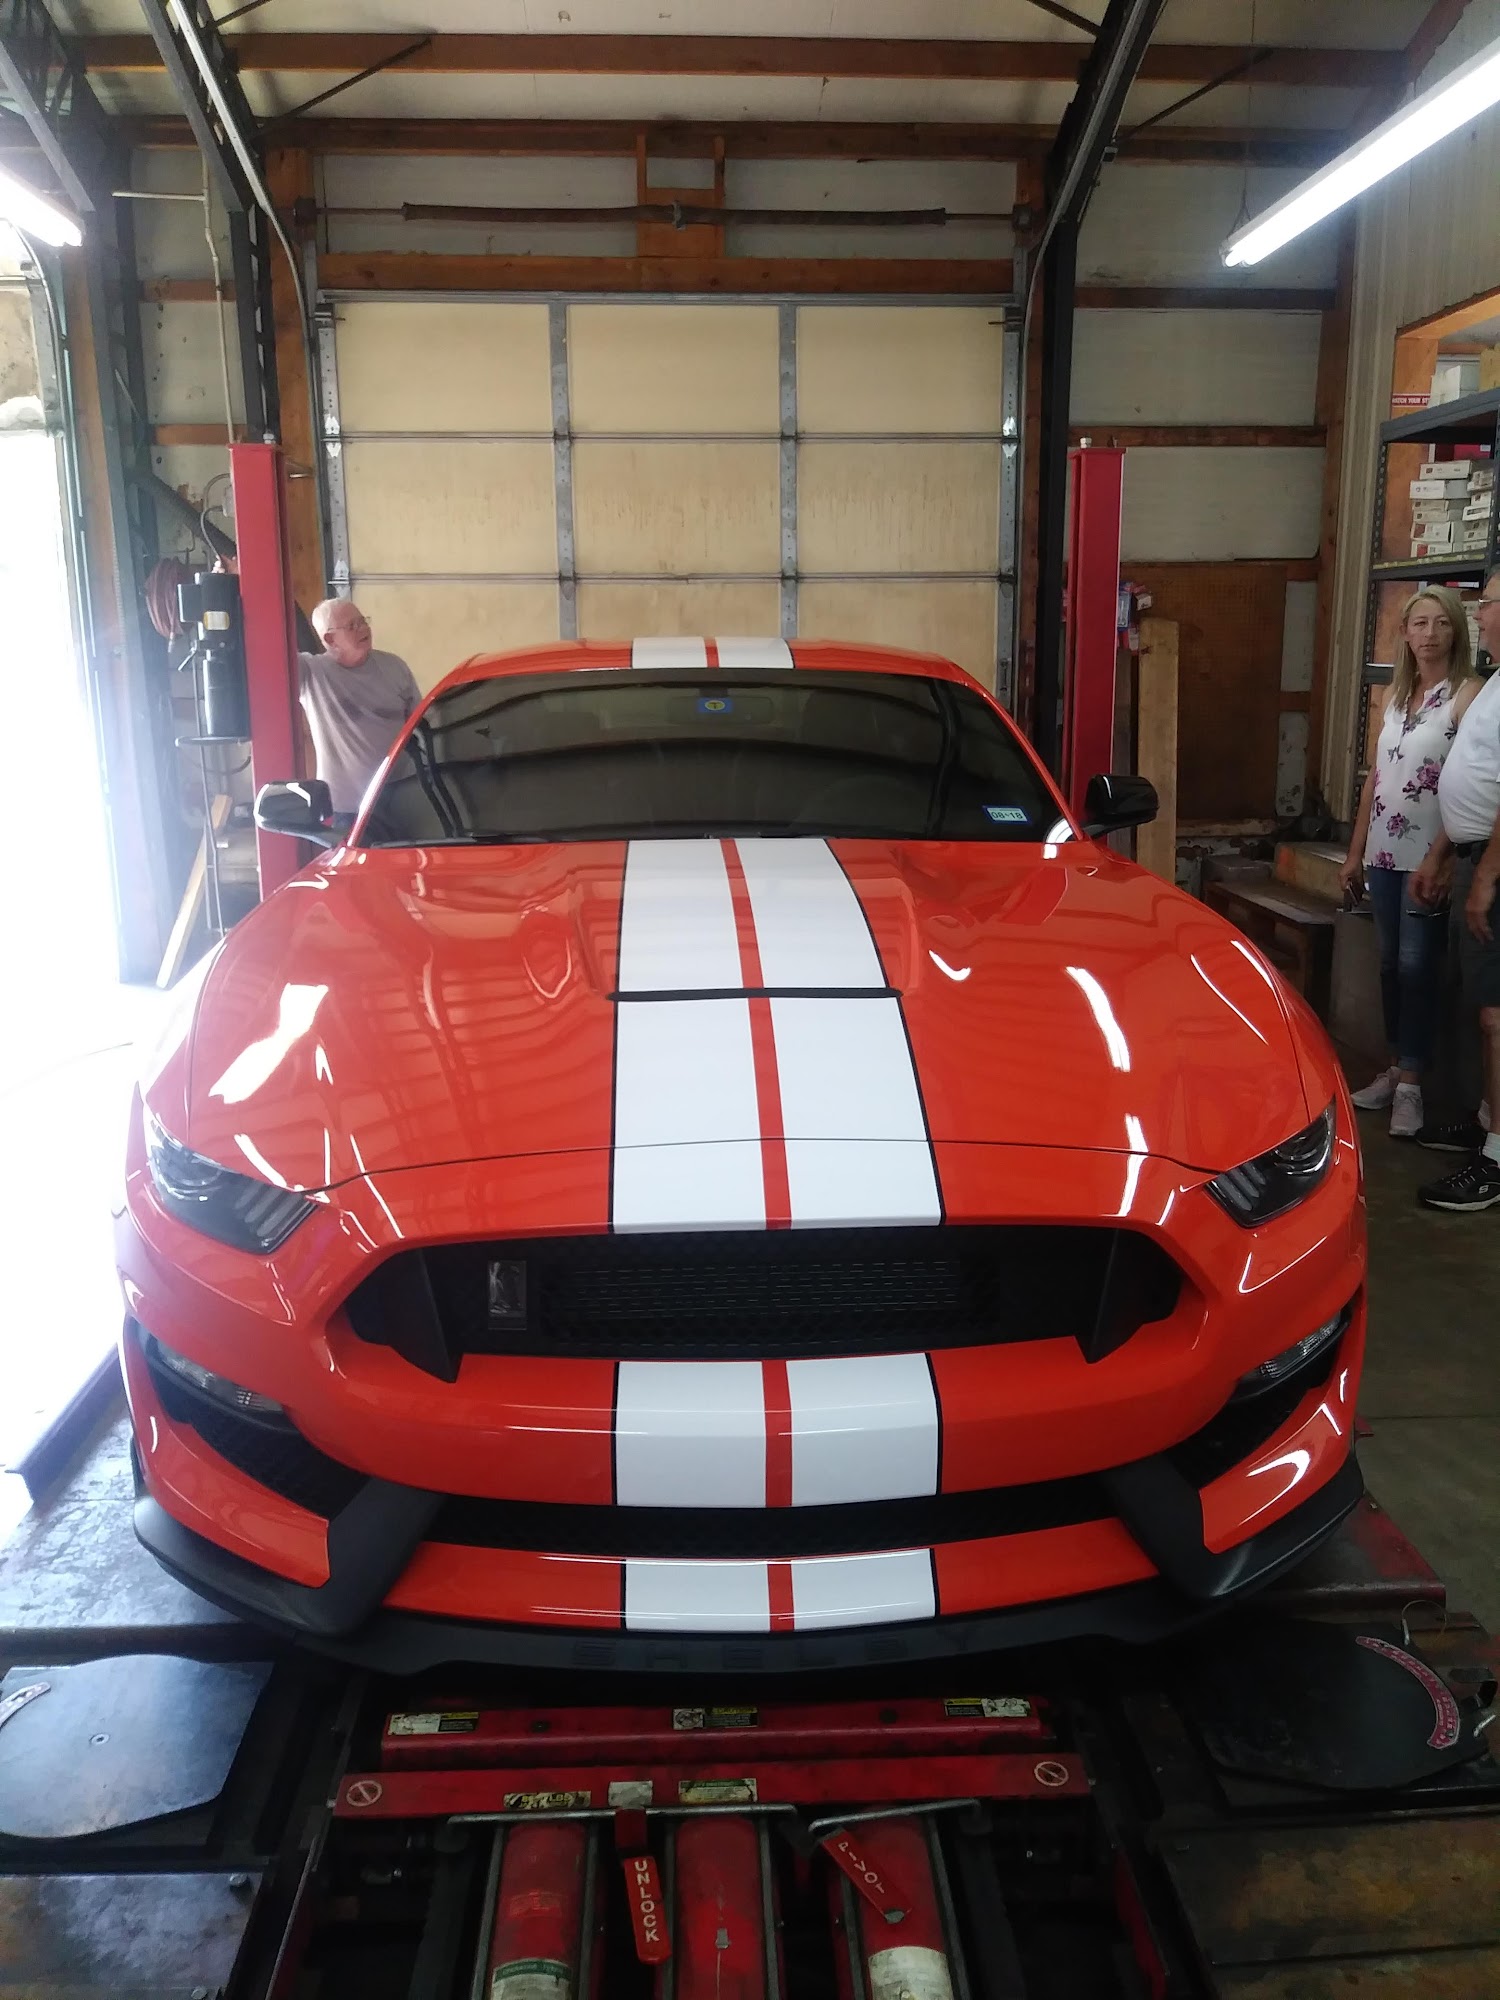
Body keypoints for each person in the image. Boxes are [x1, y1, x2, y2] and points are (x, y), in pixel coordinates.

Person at [1339, 586, 1474, 1137]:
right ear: (1405, 633)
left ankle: (1413, 1084)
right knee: (1392, 965)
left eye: (1441, 623)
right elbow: (1377, 777)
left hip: (1428, 855)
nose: (1430, 634)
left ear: (1457, 630)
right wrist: (1354, 852)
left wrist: (1445, 856)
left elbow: (1471, 780)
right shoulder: (1398, 696)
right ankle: (1396, 1067)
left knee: (1420, 966)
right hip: (1383, 852)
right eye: (1420, 623)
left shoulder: (1466, 695)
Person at [1409, 569, 1500, 1210]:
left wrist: (1486, 875)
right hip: (1471, 856)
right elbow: (1474, 777)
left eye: (1486, 603)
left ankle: (1496, 1159)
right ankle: (1485, 1122)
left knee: (1497, 1016)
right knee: (1480, 1007)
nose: (1480, 614)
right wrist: (1444, 853)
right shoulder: (1493, 683)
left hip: (1492, 866)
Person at [298, 598, 421, 817]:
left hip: (403, 799)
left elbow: (421, 724)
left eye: (363, 621)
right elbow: (277, 650)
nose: (363, 629)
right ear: (329, 639)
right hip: (347, 809)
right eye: (352, 626)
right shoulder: (312, 672)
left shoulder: (394, 666)